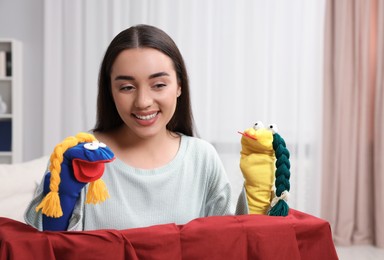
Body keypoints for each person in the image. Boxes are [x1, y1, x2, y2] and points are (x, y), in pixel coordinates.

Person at [25, 24, 234, 231]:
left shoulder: (202, 157)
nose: (143, 102)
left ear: (179, 85)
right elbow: (43, 244)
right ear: (110, 91)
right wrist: (64, 197)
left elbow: (228, 242)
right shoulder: (82, 156)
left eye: (159, 85)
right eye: (127, 87)